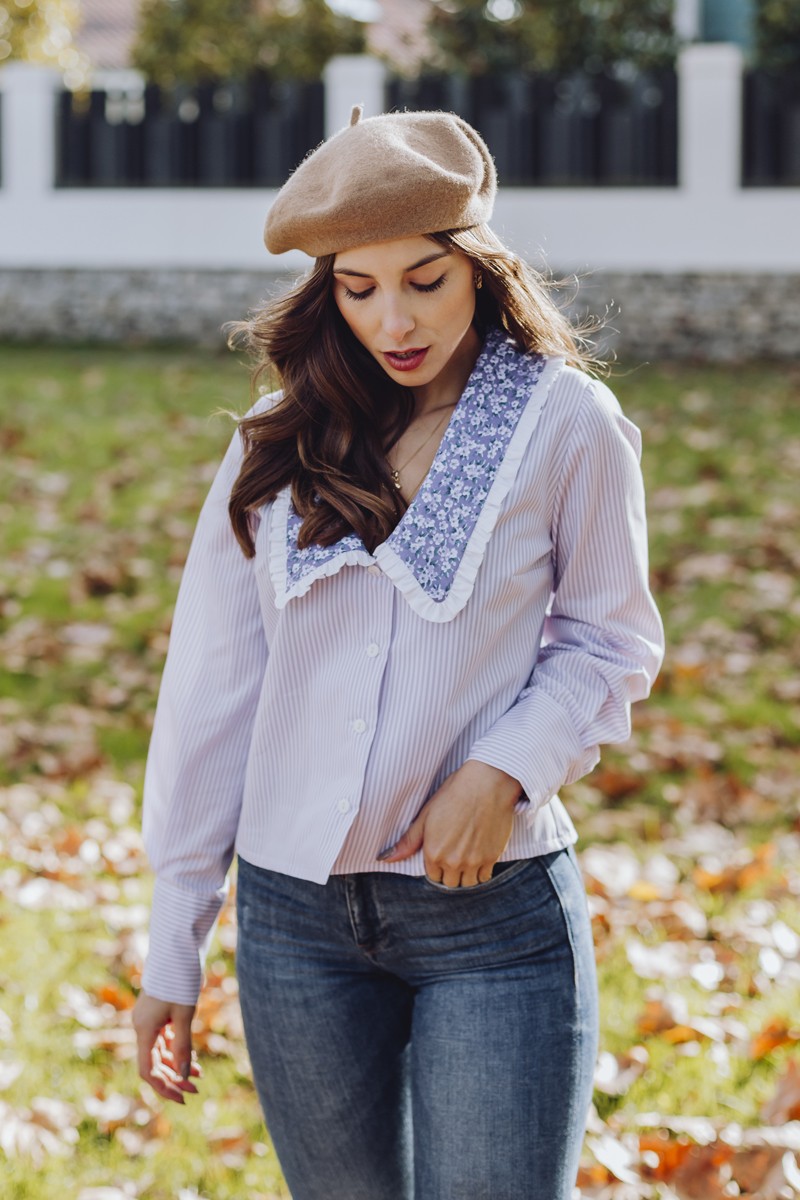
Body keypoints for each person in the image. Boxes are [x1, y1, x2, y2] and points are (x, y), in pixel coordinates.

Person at [132, 106, 664, 1200]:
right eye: (357, 288)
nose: (393, 319)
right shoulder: (275, 439)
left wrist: (504, 768)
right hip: (293, 927)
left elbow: (610, 640)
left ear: (479, 266)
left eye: (425, 279)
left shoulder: (568, 422)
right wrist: (174, 944)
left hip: (491, 918)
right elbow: (211, 695)